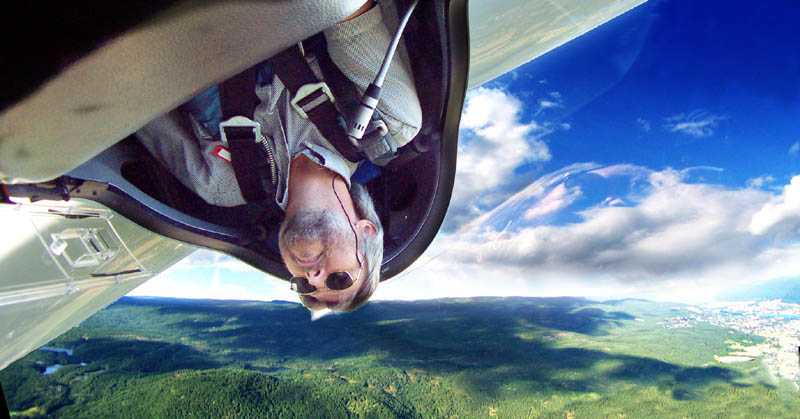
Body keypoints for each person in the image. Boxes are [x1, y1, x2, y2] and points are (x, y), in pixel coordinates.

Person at [135, 0, 421, 313]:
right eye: (339, 279)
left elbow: (131, 97)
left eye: (304, 287)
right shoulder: (388, 123)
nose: (314, 277)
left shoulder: (220, 184)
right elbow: (345, 10)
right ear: (366, 231)